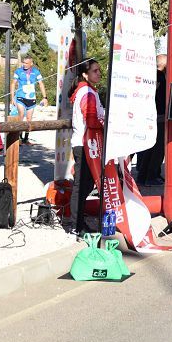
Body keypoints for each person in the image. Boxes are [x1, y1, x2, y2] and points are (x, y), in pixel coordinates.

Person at [68, 58, 104, 234]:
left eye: (99, 70)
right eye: (95, 71)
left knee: (86, 185)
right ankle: (75, 225)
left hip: (86, 144)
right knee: (81, 186)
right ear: (85, 74)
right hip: (83, 144)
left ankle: (78, 221)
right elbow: (91, 120)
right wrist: (105, 123)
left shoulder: (89, 91)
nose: (99, 73)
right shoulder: (87, 93)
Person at [136, 54, 168, 186]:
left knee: (149, 148)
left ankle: (144, 175)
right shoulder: (159, 76)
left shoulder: (148, 76)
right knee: (157, 149)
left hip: (148, 116)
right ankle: (151, 176)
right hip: (158, 117)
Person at [11, 56, 48, 144]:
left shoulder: (36, 72)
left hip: (31, 98)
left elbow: (41, 84)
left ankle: (26, 138)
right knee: (21, 115)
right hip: (20, 96)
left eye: (26, 63)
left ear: (31, 63)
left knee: (29, 119)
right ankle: (19, 137)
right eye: (23, 62)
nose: (24, 64)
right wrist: (12, 97)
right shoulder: (18, 71)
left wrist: (45, 97)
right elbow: (13, 84)